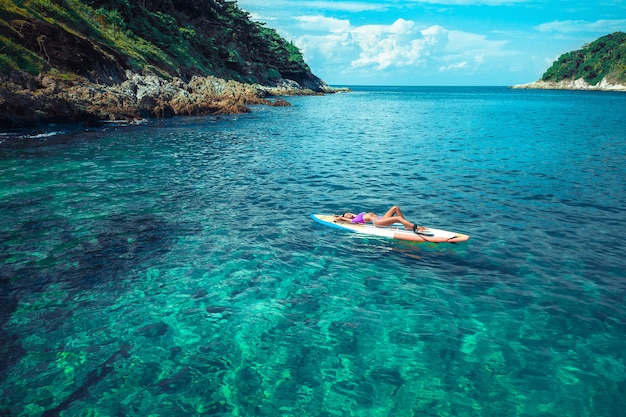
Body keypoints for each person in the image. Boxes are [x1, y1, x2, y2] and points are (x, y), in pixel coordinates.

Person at [333, 205, 428, 234]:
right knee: (398, 218)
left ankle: (406, 226)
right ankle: (415, 228)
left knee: (395, 207)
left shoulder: (357, 215)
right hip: (377, 222)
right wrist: (340, 217)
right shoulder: (355, 220)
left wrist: (343, 214)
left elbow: (351, 214)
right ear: (346, 218)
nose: (348, 214)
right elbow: (347, 219)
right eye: (347, 215)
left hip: (381, 218)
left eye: (348, 213)